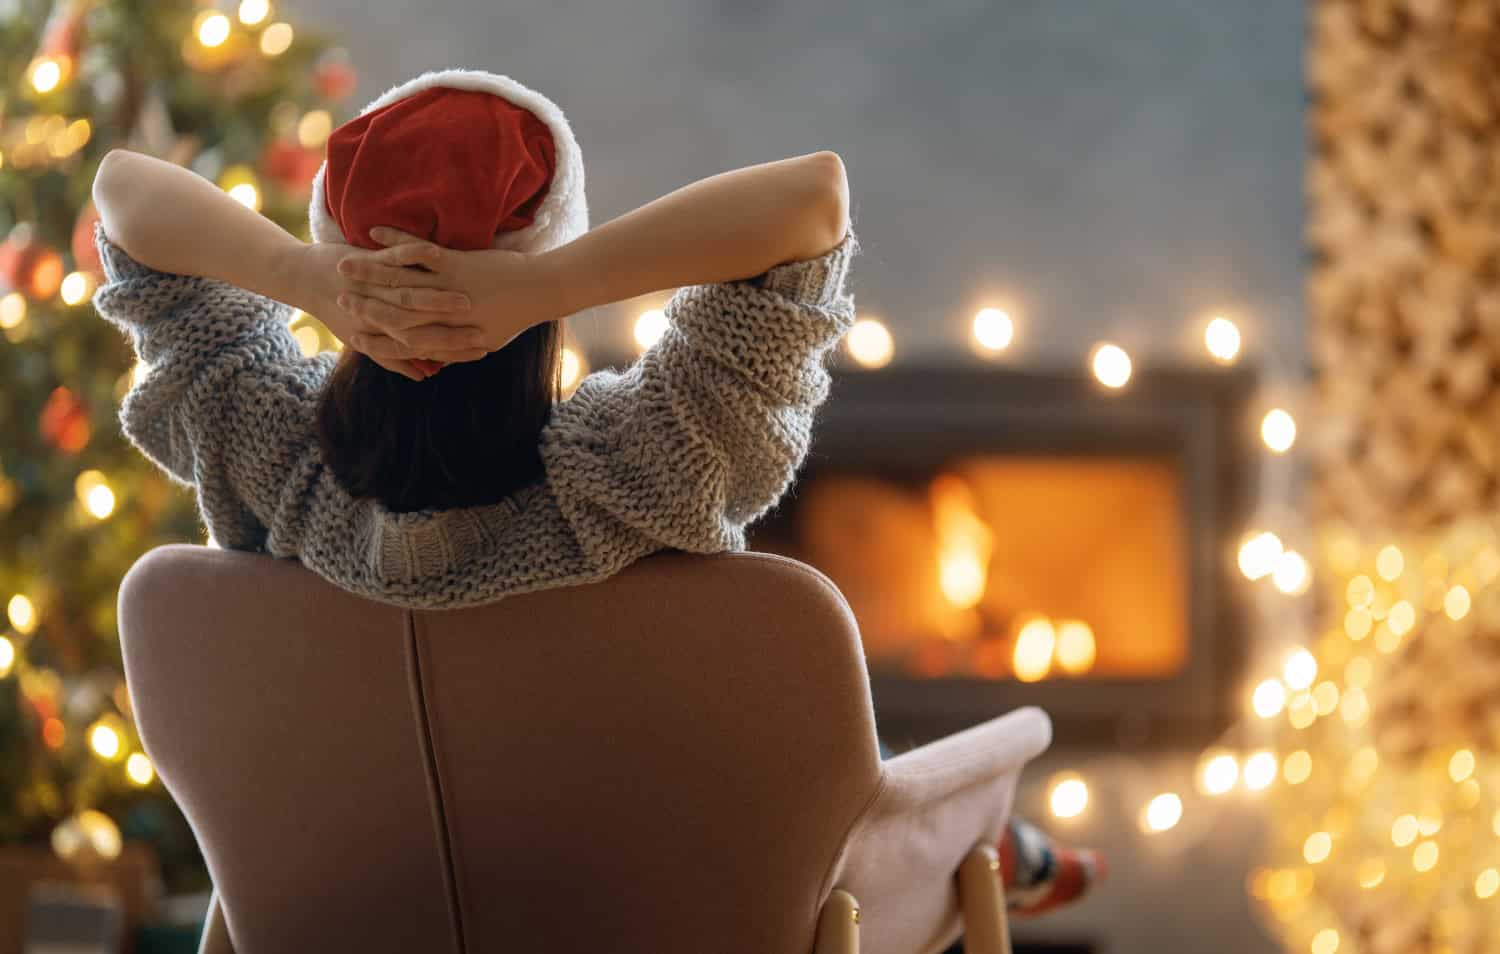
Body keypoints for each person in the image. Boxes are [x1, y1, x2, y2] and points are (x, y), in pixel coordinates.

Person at [91, 68, 1099, 919]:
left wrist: (309, 278)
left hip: (377, 909)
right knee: (943, 795)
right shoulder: (642, 473)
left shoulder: (276, 459)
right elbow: (814, 202)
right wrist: (541, 286)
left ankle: (1015, 845)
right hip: (674, 914)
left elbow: (122, 190)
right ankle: (1014, 848)